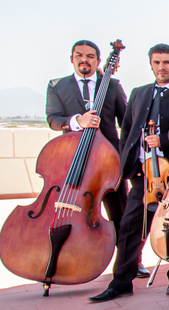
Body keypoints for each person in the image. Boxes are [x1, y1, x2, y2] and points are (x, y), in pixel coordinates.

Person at [89, 44, 169, 301]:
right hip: (142, 176)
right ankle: (121, 281)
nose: (161, 67)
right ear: (151, 64)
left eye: (167, 62)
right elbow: (127, 130)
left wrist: (165, 143)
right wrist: (128, 164)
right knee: (129, 227)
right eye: (156, 62)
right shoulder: (138, 93)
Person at [46, 39, 129, 238]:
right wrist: (77, 121)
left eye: (90, 56)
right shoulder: (57, 86)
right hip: (72, 159)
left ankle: (131, 262)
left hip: (108, 162)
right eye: (79, 56)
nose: (84, 60)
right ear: (72, 59)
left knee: (120, 214)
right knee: (71, 212)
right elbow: (53, 119)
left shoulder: (112, 85)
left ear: (98, 61)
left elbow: (126, 123)